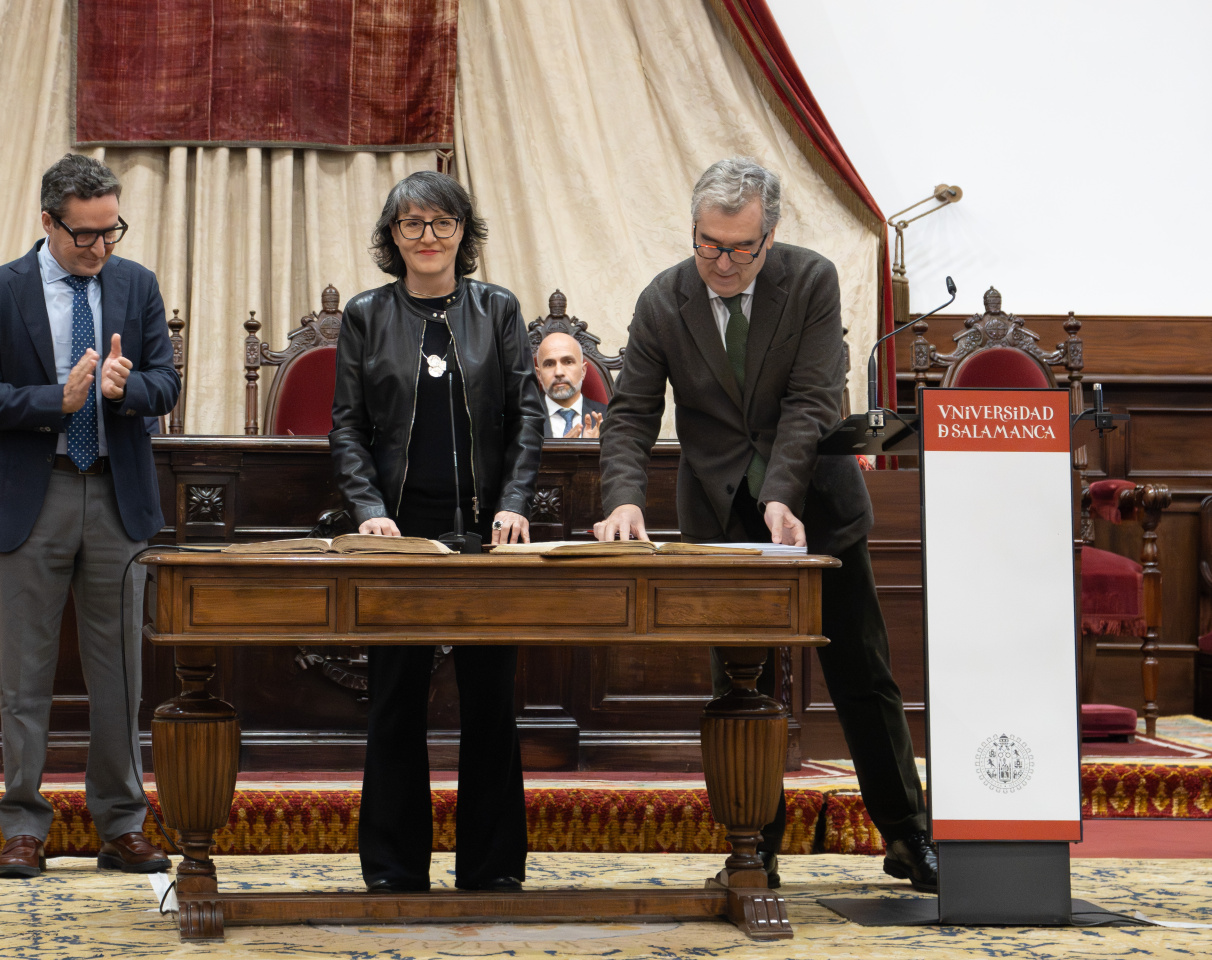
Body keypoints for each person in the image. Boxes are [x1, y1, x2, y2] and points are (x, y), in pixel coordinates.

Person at [592, 157, 938, 891]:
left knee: (863, 676)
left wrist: (783, 493)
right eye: (707, 244)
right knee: (742, 689)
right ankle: (755, 846)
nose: (721, 261)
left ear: (770, 236)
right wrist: (622, 497)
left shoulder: (809, 281)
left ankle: (909, 835)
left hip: (817, 511)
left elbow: (813, 400)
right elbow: (629, 415)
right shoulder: (664, 299)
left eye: (739, 248)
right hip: (720, 522)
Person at [0, 153, 179, 879]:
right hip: (33, 494)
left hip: (117, 496)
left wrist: (125, 389)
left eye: (112, 231)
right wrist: (56, 400)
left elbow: (165, 383)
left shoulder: (136, 284)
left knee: (121, 677)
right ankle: (23, 825)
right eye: (86, 235)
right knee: (24, 675)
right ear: (48, 221)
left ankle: (121, 824)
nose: (102, 248)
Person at [329, 171, 544, 893]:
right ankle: (393, 869)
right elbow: (348, 429)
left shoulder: (498, 310)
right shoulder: (366, 315)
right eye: (412, 224)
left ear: (464, 232)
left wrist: (515, 502)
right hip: (400, 538)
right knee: (395, 701)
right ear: (392, 236)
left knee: (490, 704)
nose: (427, 237)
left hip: (489, 539)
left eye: (441, 223)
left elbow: (526, 419)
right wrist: (368, 510)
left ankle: (491, 869)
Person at [535, 331, 605, 438]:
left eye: (568, 362)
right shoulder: (521, 420)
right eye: (549, 364)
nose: (559, 372)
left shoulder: (610, 417)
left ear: (583, 371)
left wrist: (593, 449)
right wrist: (561, 452)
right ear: (539, 375)